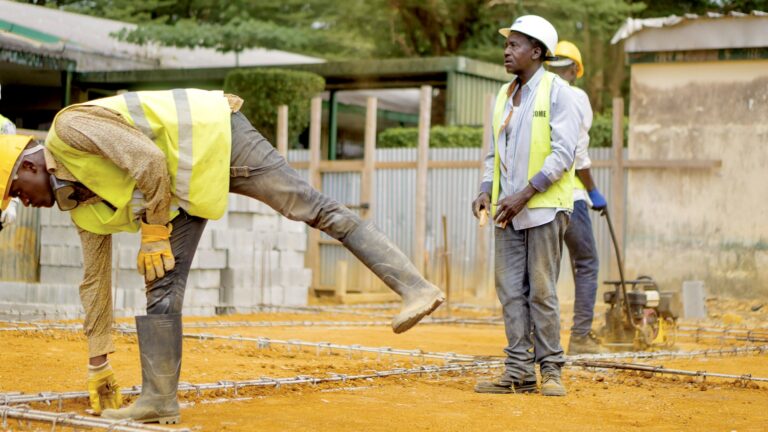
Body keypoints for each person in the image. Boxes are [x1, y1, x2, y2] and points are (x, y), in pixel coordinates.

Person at [0, 89, 445, 423]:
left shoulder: (70, 129)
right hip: (180, 190)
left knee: (308, 206)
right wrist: (98, 361)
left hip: (219, 137)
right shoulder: (79, 206)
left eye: (18, 192)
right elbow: (94, 280)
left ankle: (415, 288)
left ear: (29, 166)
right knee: (161, 281)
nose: (26, 202)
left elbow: (149, 160)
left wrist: (154, 230)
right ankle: (159, 398)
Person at [471, 15, 579, 397]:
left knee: (542, 292)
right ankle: (518, 370)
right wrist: (487, 189)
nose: (506, 50)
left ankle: (551, 369)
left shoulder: (557, 92)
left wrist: (524, 194)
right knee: (510, 292)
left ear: (537, 52)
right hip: (506, 212)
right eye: (506, 44)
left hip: (545, 209)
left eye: (515, 45)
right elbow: (492, 153)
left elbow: (563, 154)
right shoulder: (503, 95)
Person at [547, 41, 609, 355]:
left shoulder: (535, 94)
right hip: (569, 196)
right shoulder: (575, 96)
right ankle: (580, 338)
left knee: (545, 269)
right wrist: (593, 189)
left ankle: (539, 342)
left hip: (536, 198)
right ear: (575, 69)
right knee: (586, 263)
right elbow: (577, 152)